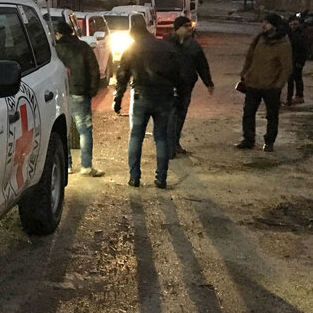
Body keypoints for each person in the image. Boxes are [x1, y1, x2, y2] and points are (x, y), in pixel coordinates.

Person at [114, 22, 181, 189]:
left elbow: (122, 75)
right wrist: (177, 96)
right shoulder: (166, 47)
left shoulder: (132, 49)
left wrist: (118, 98)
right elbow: (179, 74)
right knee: (161, 138)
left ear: (134, 35)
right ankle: (161, 178)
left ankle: (134, 177)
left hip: (141, 97)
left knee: (136, 136)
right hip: (164, 98)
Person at [54, 21, 105, 177]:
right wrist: (91, 90)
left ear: (58, 34)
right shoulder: (83, 47)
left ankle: (67, 165)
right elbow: (94, 70)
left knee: (65, 131)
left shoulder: (55, 49)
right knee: (84, 130)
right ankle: (86, 166)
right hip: (80, 93)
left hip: (61, 94)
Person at [237, 14, 293, 152]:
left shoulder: (283, 44)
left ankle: (269, 142)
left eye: (267, 23)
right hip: (253, 84)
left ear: (274, 26)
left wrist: (278, 85)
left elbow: (287, 67)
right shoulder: (259, 39)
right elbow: (249, 57)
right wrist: (244, 74)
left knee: (272, 116)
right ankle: (248, 139)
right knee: (248, 113)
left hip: (271, 87)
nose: (263, 25)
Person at [168, 16, 213, 158]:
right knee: (170, 116)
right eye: (186, 26)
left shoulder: (194, 46)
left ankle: (175, 143)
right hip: (168, 87)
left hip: (186, 87)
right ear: (177, 28)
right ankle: (169, 145)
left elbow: (202, 65)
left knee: (180, 115)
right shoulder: (166, 44)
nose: (189, 28)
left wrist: (208, 83)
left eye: (190, 26)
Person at [286, 15, 309, 105]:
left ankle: (296, 97)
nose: (293, 26)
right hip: (290, 60)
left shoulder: (302, 34)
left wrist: (300, 61)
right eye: (291, 25)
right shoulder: (289, 33)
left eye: (295, 24)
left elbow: (304, 49)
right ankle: (291, 98)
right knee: (291, 79)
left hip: (297, 61)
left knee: (296, 78)